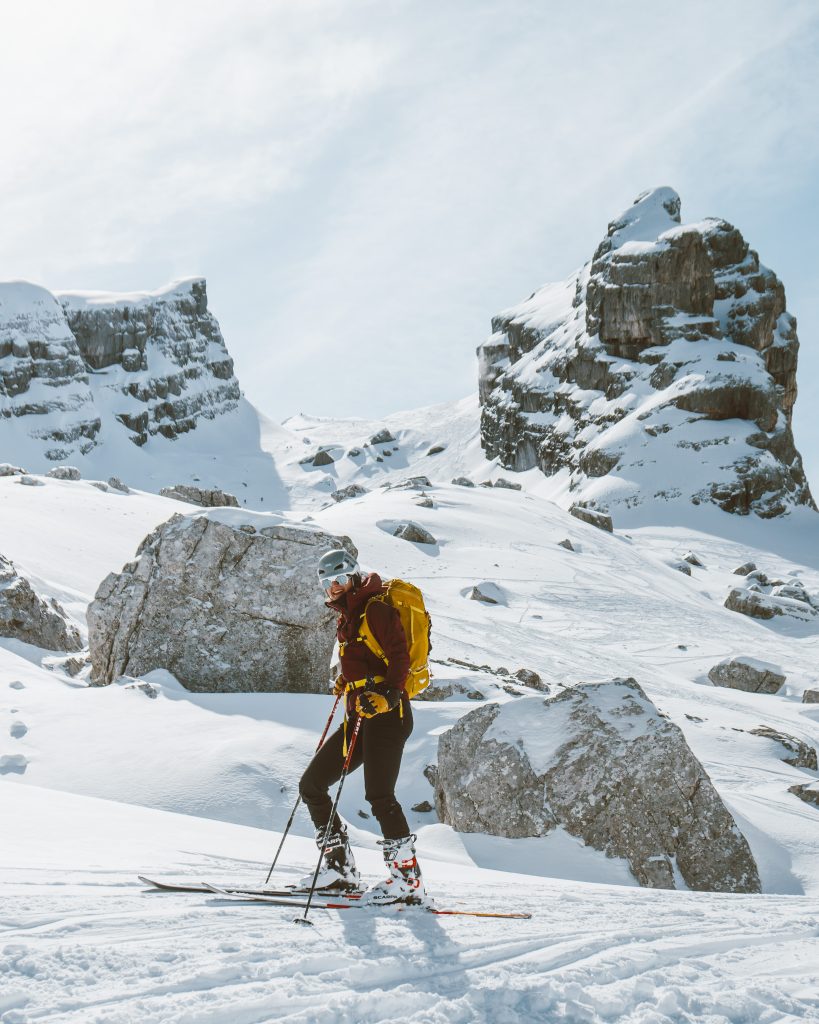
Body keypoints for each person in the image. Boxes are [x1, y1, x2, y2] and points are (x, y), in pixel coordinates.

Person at [298, 548, 426, 905]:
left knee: (380, 796)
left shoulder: (376, 609)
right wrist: (348, 682)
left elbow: (399, 658)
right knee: (312, 784)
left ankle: (407, 881)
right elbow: (364, 659)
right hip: (359, 715)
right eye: (327, 583)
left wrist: (388, 695)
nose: (333, 587)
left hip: (388, 713)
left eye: (339, 579)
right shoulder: (348, 616)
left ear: (353, 576)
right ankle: (340, 872)